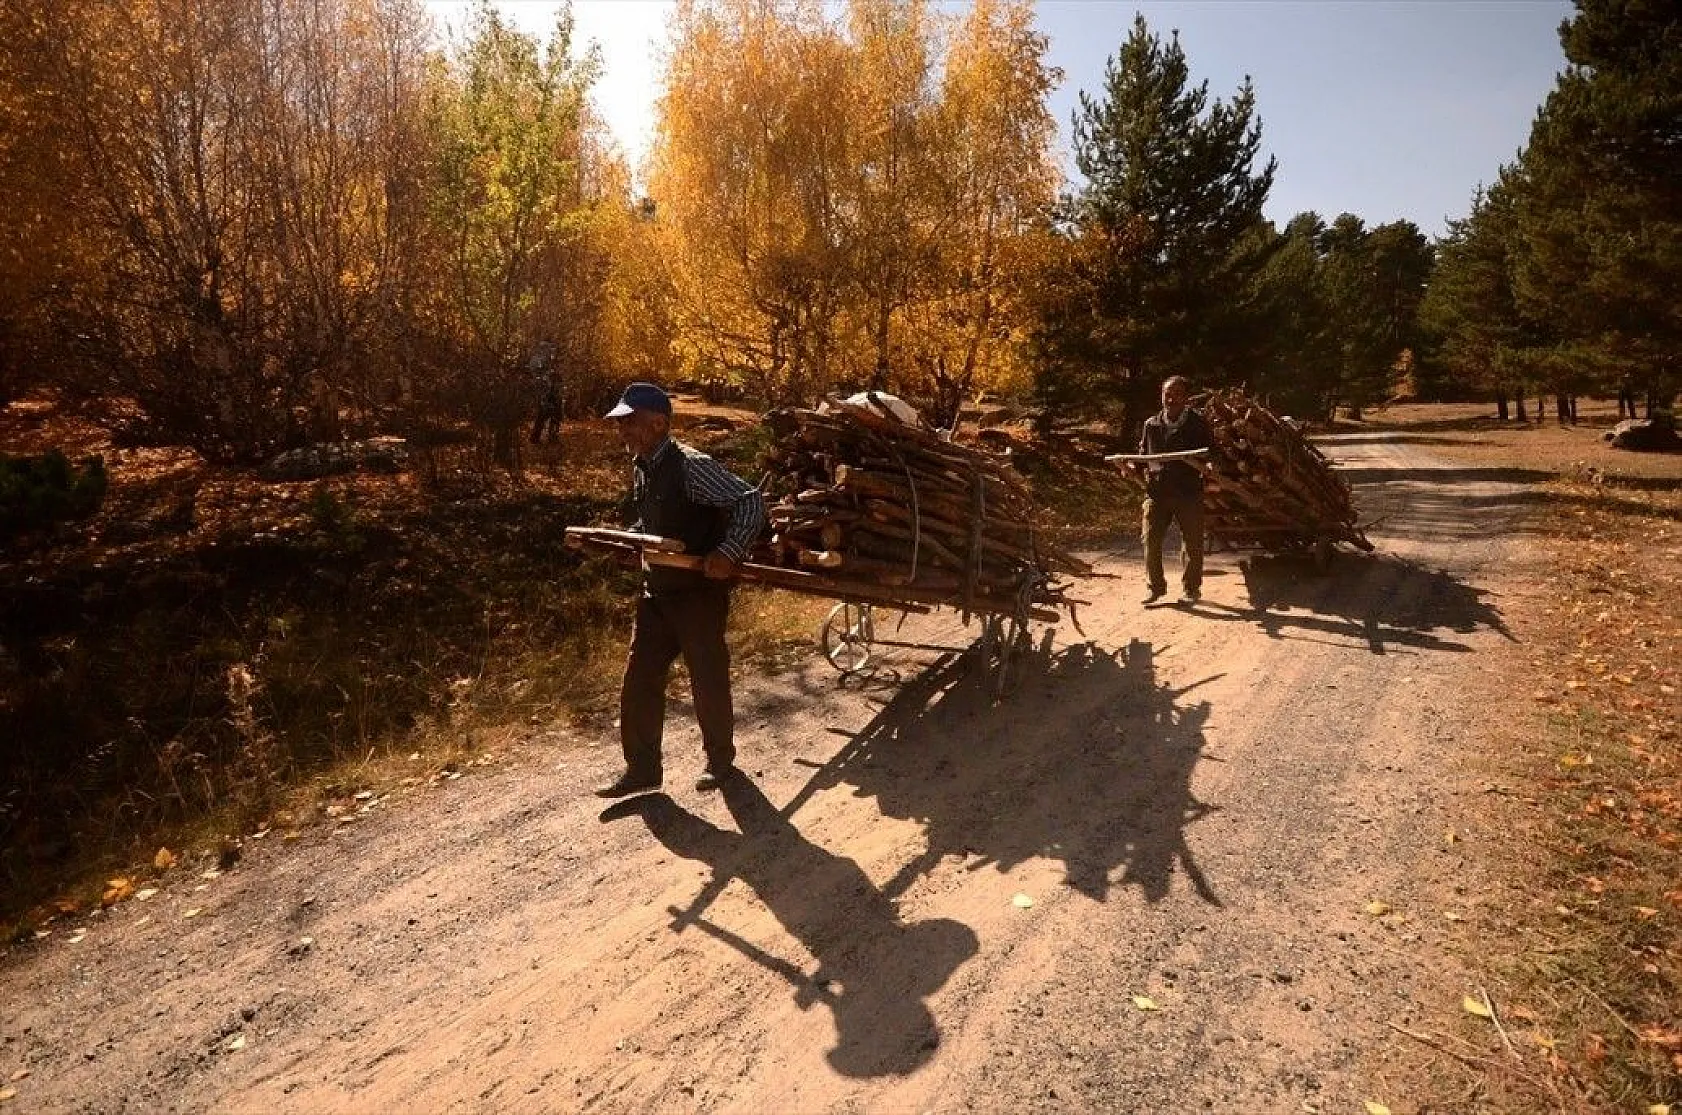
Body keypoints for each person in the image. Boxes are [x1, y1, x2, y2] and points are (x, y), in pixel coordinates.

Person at [596, 382, 768, 797]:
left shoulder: (692, 466)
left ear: (658, 424)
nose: (622, 431)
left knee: (707, 677)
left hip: (698, 594)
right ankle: (642, 770)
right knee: (640, 679)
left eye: (629, 422)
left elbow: (750, 501)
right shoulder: (642, 465)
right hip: (657, 591)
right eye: (620, 423)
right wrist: (631, 541)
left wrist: (728, 551)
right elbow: (654, 523)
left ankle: (720, 762)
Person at [1137, 375, 1213, 604]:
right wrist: (1132, 466)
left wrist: (1209, 465)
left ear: (1186, 398)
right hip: (1157, 492)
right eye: (1167, 394)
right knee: (1150, 539)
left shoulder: (1197, 424)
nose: (1171, 399)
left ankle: (1191, 589)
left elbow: (1212, 452)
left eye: (1177, 394)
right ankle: (1155, 587)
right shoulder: (1151, 425)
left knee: (1192, 543)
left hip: (1188, 491)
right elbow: (1143, 454)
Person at [530, 340, 561, 444]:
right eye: (548, 349)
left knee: (555, 414)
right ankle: (536, 438)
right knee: (542, 414)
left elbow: (555, 376)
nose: (550, 351)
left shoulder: (551, 361)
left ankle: (552, 437)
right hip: (544, 392)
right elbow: (536, 375)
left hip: (552, 391)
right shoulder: (537, 360)